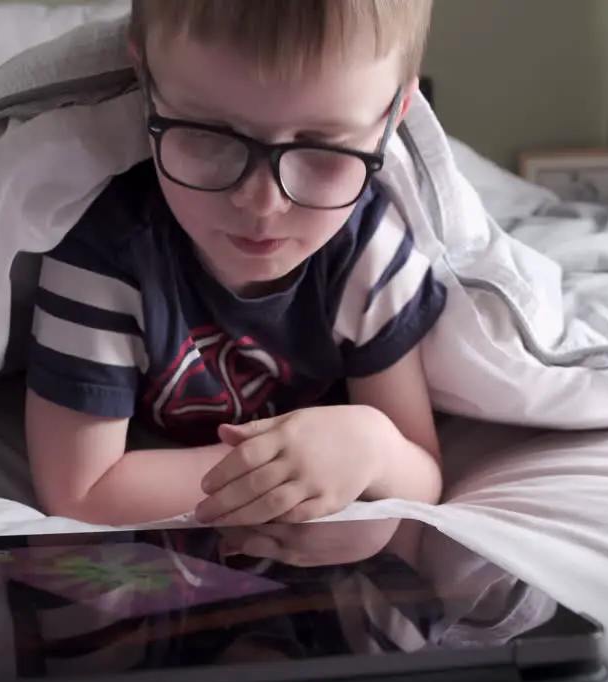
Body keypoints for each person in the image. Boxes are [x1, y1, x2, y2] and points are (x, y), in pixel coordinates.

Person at [24, 0, 445, 527]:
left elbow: (423, 477)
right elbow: (78, 494)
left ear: (393, 116)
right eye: (207, 135)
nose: (262, 202)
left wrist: (373, 447)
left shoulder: (368, 252)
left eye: (322, 149)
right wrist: (288, 470)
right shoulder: (108, 251)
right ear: (147, 84)